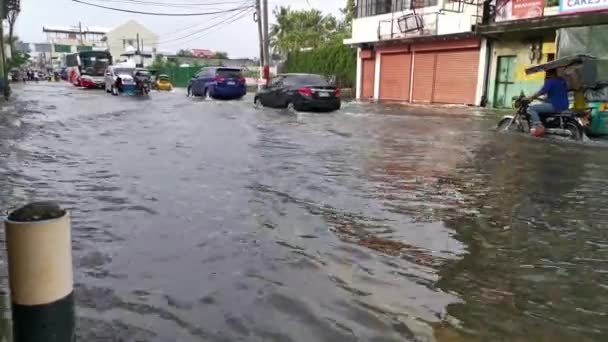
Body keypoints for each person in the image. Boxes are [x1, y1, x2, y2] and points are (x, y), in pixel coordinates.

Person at [526, 69, 569, 137]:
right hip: (564, 105)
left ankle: (539, 126)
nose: (545, 75)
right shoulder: (561, 80)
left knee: (531, 109)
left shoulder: (550, 81)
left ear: (549, 73)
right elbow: (556, 93)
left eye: (546, 73)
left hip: (555, 105)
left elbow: (542, 91)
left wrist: (531, 97)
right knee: (542, 105)